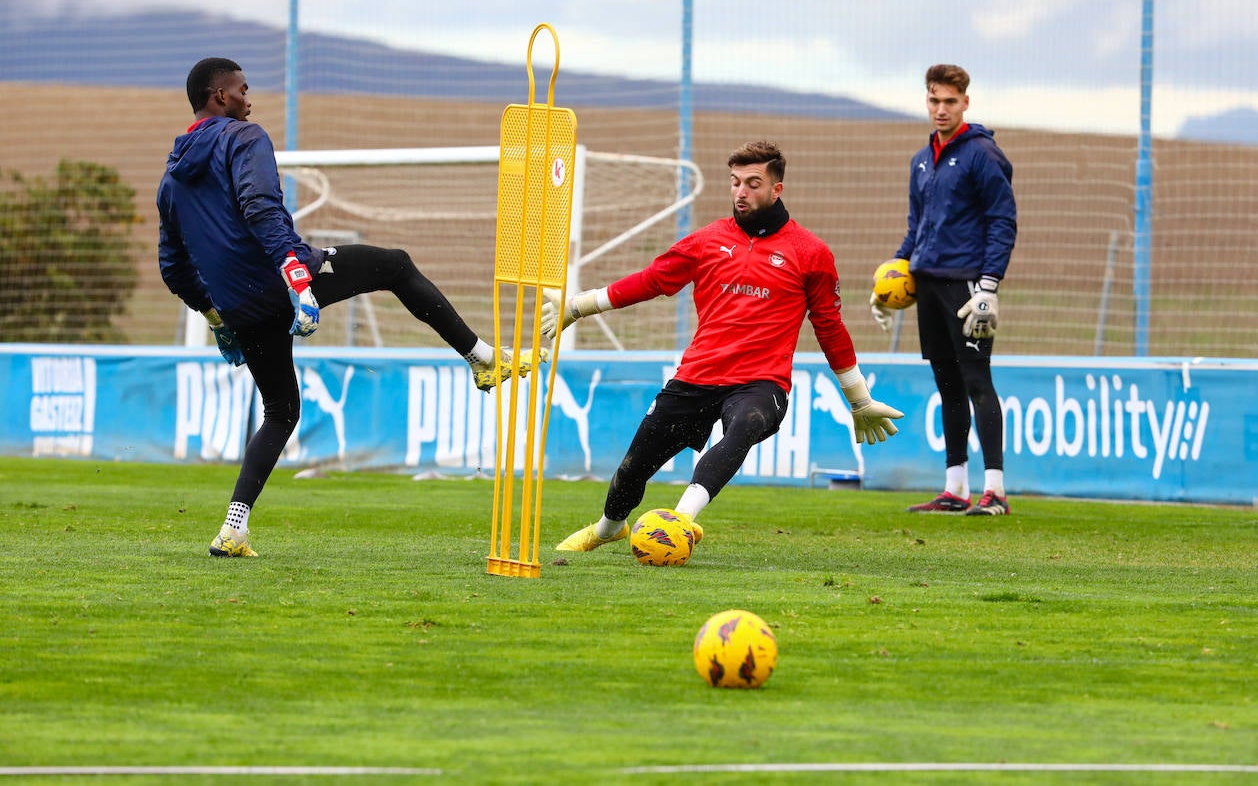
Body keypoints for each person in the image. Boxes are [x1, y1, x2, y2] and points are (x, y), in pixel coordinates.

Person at [157, 57, 535, 558]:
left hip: (241, 308)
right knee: (396, 265)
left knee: (280, 412)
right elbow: (259, 206)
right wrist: (297, 277)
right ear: (219, 97)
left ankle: (234, 528)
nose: (250, 99)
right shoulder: (245, 138)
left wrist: (216, 317)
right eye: (243, 89)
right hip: (281, 279)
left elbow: (173, 267)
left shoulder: (171, 180)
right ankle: (482, 358)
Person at [546, 139, 904, 552]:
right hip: (697, 377)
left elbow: (830, 328)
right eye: (735, 182)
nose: (741, 192)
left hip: (760, 383)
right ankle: (609, 528)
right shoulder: (706, 241)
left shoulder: (811, 254)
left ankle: (680, 520)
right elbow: (651, 281)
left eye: (753, 183)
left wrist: (858, 400)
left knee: (744, 428)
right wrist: (579, 305)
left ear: (776, 189)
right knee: (633, 468)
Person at [871, 63, 1017, 516]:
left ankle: (995, 492)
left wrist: (989, 286)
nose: (940, 109)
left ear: (965, 103)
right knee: (947, 385)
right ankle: (956, 489)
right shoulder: (920, 159)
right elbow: (918, 228)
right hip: (929, 284)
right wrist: (889, 277)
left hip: (968, 285)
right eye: (934, 100)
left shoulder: (982, 155)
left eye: (949, 101)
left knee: (978, 381)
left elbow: (1002, 222)